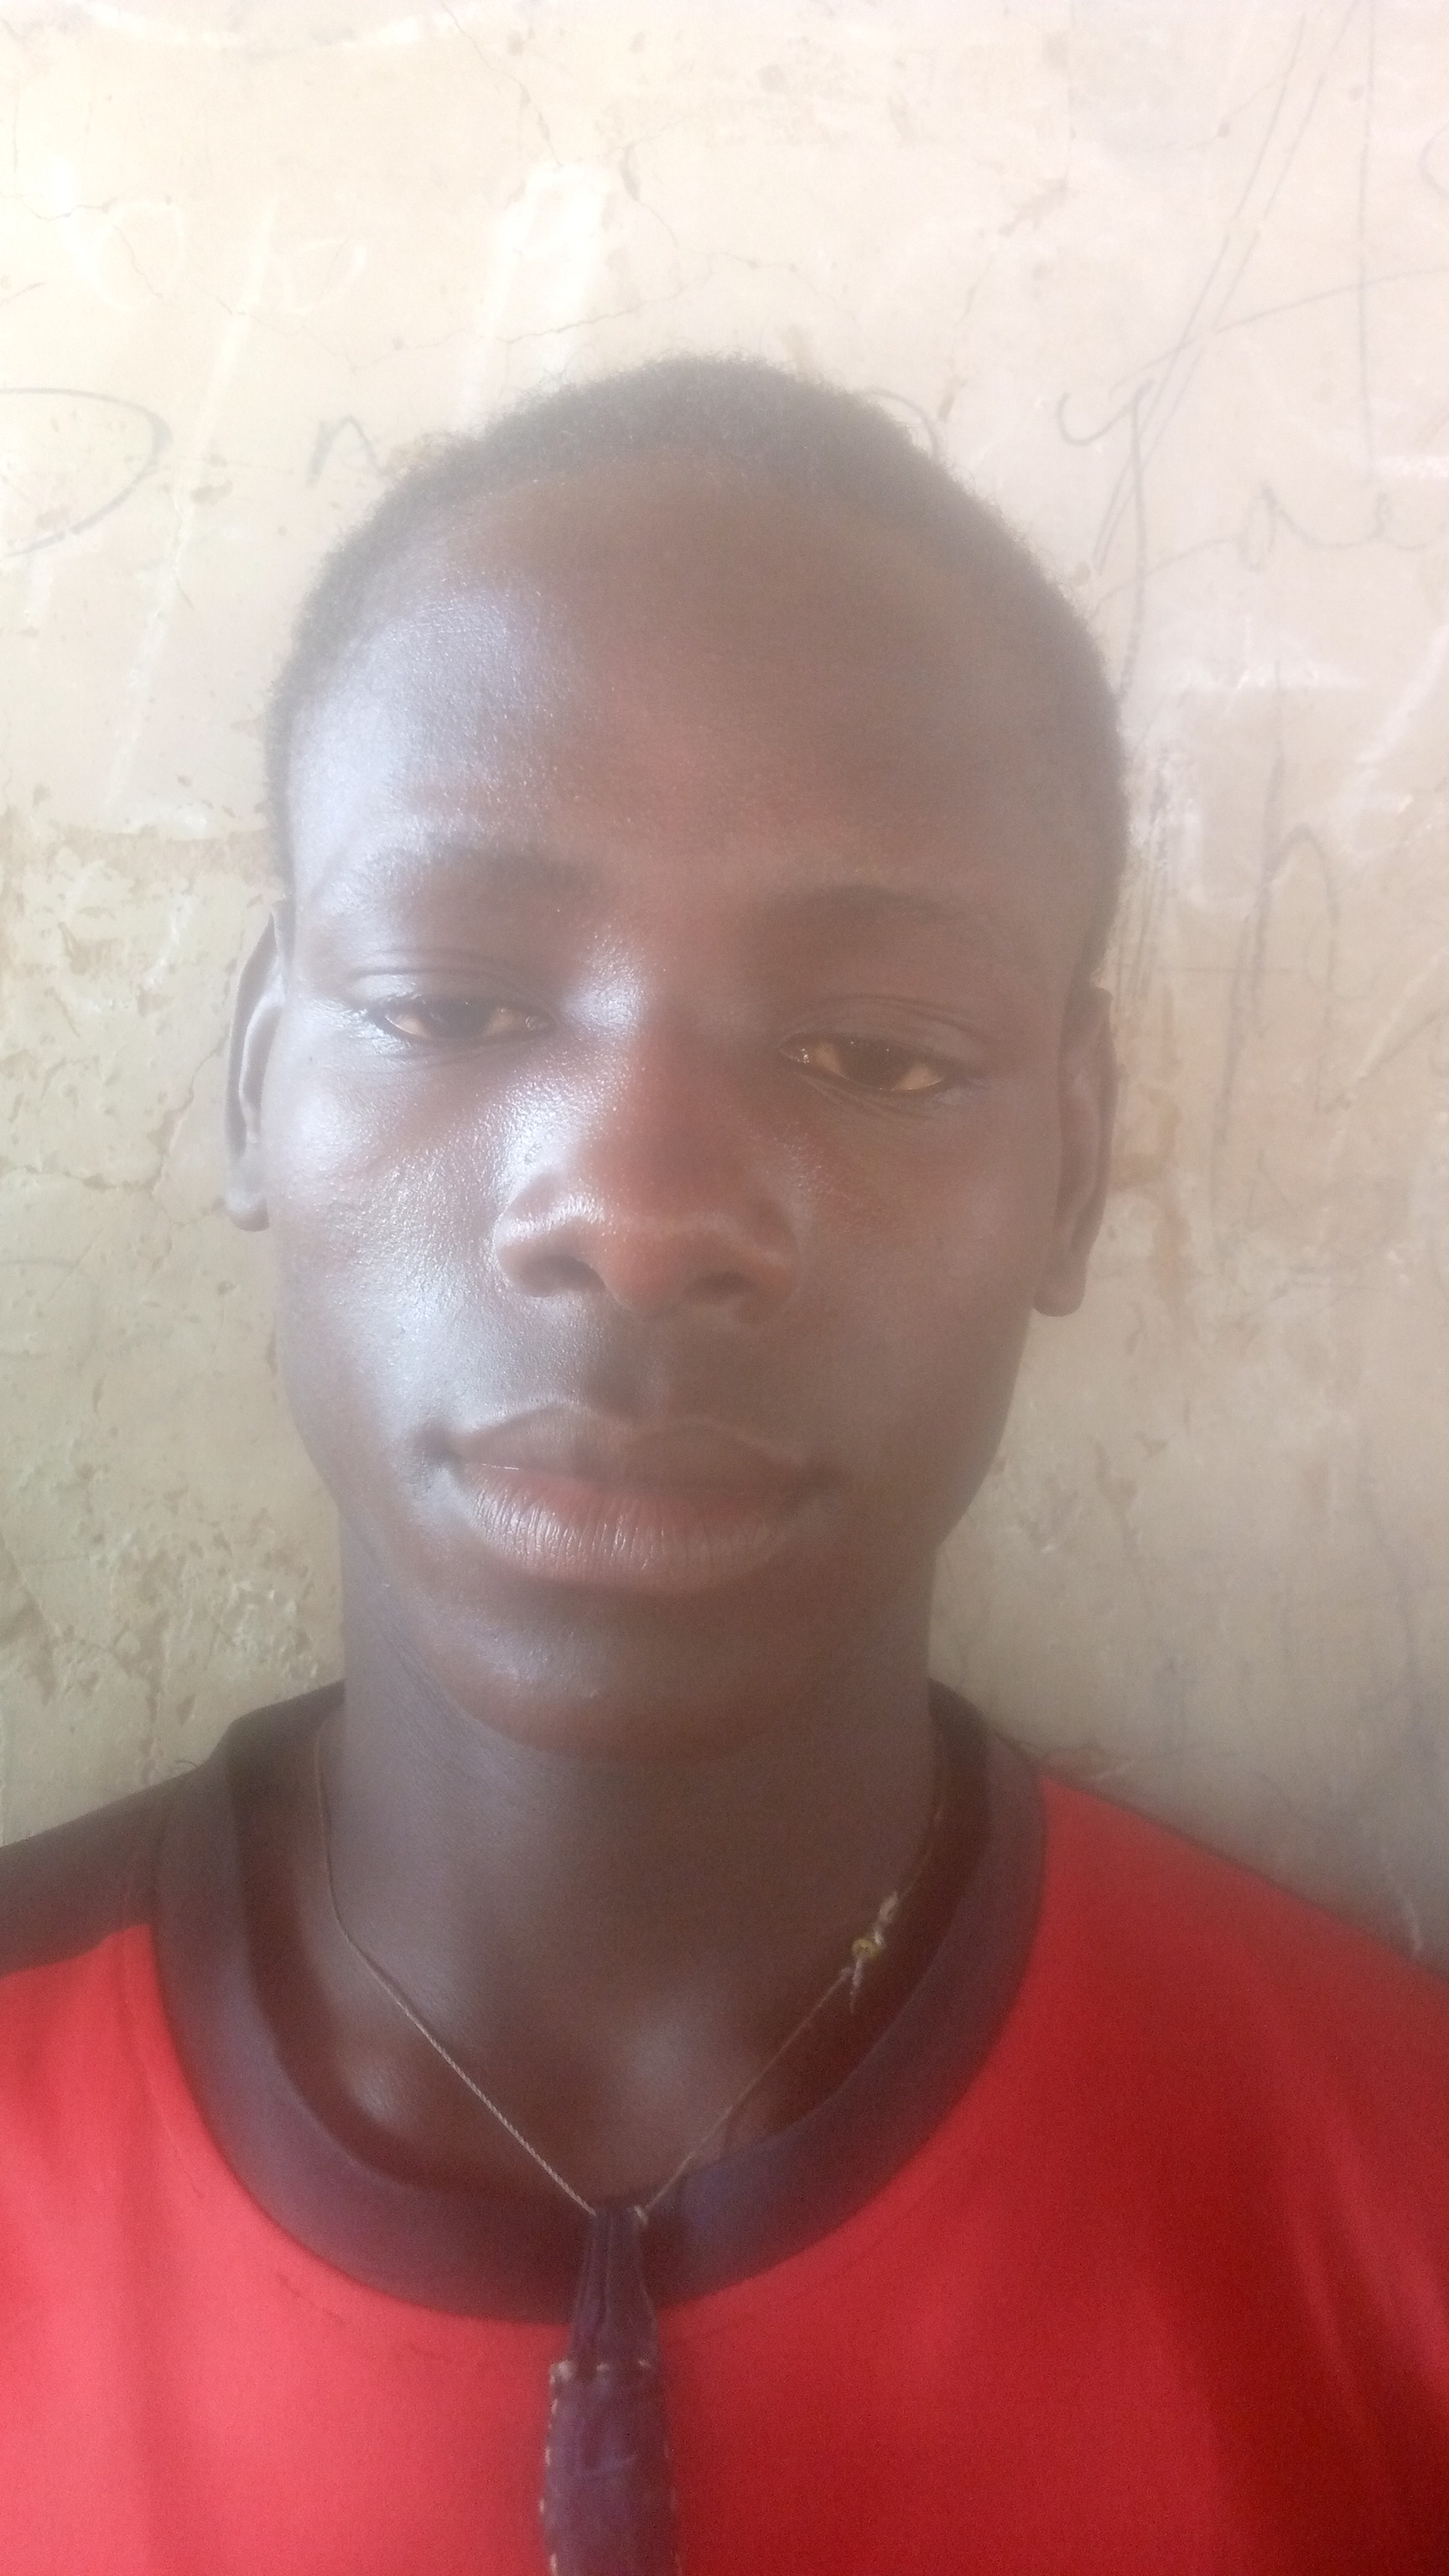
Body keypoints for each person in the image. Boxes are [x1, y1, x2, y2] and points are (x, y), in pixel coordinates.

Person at [3, 356, 1447, 2576]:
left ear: (1076, 1168)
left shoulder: (1391, 2206)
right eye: (455, 1006)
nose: (640, 1204)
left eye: (875, 1051)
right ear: (251, 1087)